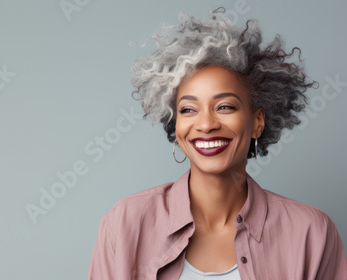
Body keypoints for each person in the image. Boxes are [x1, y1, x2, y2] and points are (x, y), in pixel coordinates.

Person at [87, 7, 347, 280]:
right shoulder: (125, 222)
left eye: (224, 106)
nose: (206, 124)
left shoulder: (311, 232)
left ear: (257, 121)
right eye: (188, 110)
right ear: (175, 125)